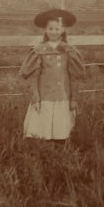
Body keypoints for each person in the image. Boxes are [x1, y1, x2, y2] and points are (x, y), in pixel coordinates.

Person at [19, 9, 86, 141]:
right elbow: (34, 76)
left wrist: (73, 99)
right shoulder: (39, 50)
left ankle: (59, 145)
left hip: (62, 96)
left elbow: (74, 77)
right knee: (41, 130)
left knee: (60, 130)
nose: (53, 32)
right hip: (45, 97)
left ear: (62, 30)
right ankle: (43, 149)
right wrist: (36, 97)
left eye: (57, 29)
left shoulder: (69, 51)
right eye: (50, 28)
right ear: (45, 30)